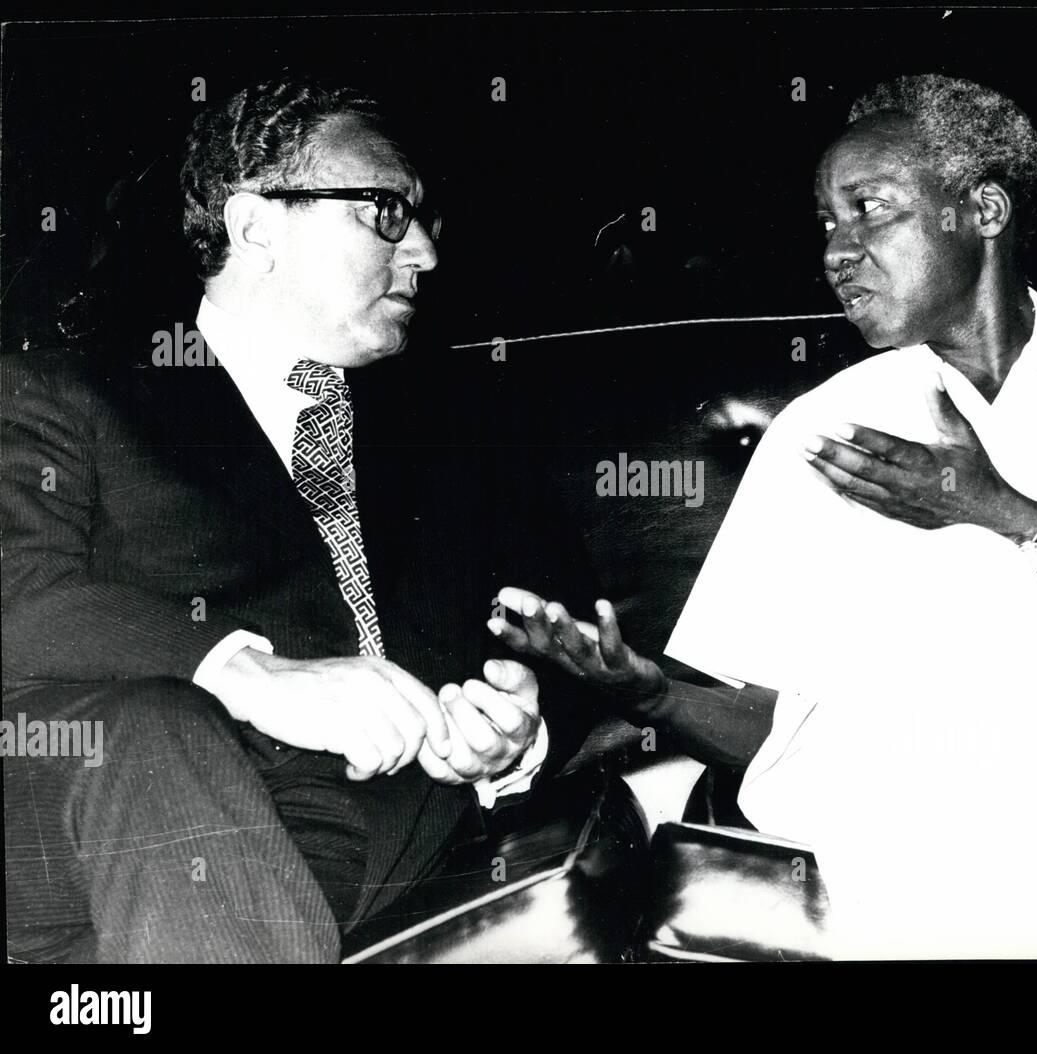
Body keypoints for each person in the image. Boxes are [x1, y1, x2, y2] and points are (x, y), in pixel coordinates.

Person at [492, 74, 1037, 957]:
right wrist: (655, 699)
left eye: (868, 210)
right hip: (909, 884)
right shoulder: (825, 431)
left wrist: (1002, 511)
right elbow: (772, 725)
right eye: (826, 224)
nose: (837, 250)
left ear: (982, 210)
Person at [2, 75, 608, 963]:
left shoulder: (463, 440)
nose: (427, 255)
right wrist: (249, 674)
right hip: (88, 817)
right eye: (385, 212)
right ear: (255, 228)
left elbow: (568, 632)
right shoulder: (67, 393)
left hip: (345, 860)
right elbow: (17, 591)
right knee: (156, 731)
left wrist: (518, 732)